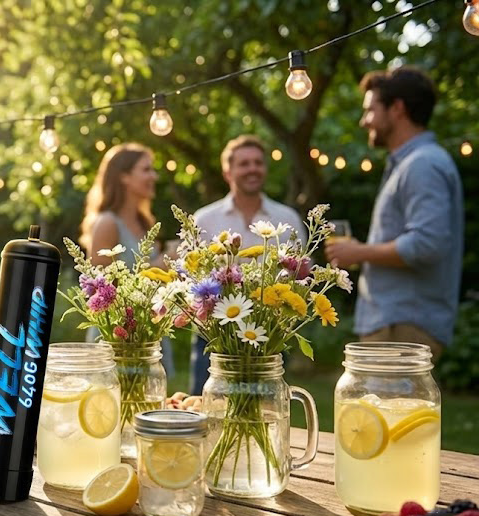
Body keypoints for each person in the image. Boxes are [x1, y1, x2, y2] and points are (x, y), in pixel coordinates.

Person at [326, 67, 463, 361]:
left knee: (388, 408)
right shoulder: (409, 163)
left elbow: (427, 244)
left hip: (403, 327)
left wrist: (359, 252)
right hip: (394, 322)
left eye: (371, 110)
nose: (365, 121)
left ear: (397, 108)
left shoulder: (422, 164)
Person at [189, 135, 305, 395]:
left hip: (268, 335)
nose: (252, 168)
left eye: (258, 163)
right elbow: (194, 277)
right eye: (244, 164)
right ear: (227, 171)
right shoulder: (205, 219)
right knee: (209, 405)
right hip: (216, 333)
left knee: (267, 409)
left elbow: (301, 275)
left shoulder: (287, 219)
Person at [78, 143, 174, 378]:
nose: (154, 176)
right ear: (124, 177)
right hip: (116, 336)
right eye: (146, 169)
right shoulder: (107, 223)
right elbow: (100, 292)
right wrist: (160, 264)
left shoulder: (145, 223)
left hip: (147, 330)